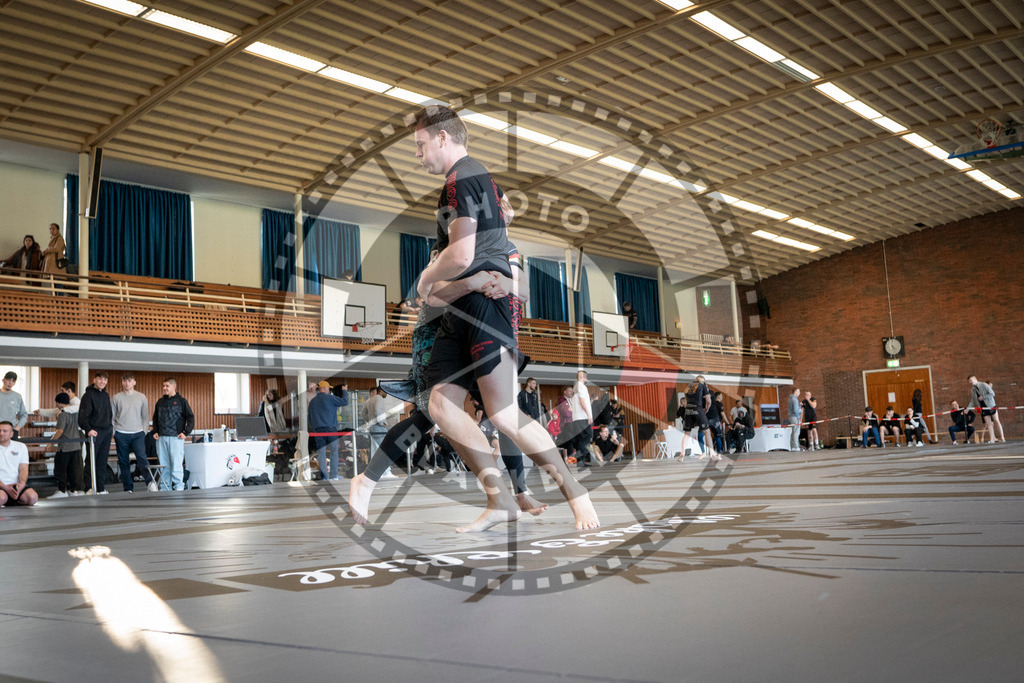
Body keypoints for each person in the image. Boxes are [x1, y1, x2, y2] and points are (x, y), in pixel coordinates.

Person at [411, 104, 598, 532]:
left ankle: (575, 491)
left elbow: (462, 255)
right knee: (440, 404)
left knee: (504, 413)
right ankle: (499, 499)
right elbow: (494, 225)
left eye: (420, 145)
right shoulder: (472, 182)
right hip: (460, 305)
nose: (417, 154)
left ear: (443, 138)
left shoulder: (463, 178)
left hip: (483, 303)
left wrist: (425, 277)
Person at [111, 372, 157, 493]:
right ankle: (128, 488)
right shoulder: (116, 398)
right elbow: (112, 417)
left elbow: (145, 417)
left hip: (138, 434)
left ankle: (150, 482)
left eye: (129, 380)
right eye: (125, 381)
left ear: (134, 382)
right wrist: (114, 432)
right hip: (121, 433)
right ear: (122, 382)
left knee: (142, 459)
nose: (127, 383)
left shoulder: (141, 397)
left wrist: (144, 432)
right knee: (123, 462)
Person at [152, 378, 195, 491]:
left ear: (174, 387)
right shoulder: (160, 402)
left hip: (176, 438)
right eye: (163, 386)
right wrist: (155, 431)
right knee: (164, 465)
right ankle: (165, 488)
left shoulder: (182, 401)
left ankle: (179, 487)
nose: (164, 388)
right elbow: (155, 418)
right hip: (161, 438)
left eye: (167, 386)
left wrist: (186, 432)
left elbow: (190, 418)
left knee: (176, 464)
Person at [78, 370, 113, 494]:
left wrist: (110, 428)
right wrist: (88, 430)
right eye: (100, 379)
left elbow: (109, 414)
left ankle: (100, 488)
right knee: (91, 461)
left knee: (102, 462)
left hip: (106, 432)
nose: (102, 381)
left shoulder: (106, 395)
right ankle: (89, 488)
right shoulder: (88, 395)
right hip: (95, 432)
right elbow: (82, 418)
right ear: (94, 380)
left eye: (105, 379)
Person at [309, 380, 349, 481]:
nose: (329, 390)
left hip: (318, 431)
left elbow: (309, 418)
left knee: (321, 454)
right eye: (328, 388)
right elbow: (345, 402)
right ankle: (333, 475)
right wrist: (344, 391)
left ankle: (324, 476)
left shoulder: (312, 401)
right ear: (325, 388)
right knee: (334, 452)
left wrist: (315, 427)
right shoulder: (330, 398)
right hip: (331, 430)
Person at [48, 392, 84, 498]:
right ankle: (73, 490)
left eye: (57, 402)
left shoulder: (63, 414)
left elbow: (60, 431)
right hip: (76, 446)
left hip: (65, 447)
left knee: (60, 470)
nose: (56, 405)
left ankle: (62, 490)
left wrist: (51, 442)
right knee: (73, 470)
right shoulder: (75, 412)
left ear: (60, 402)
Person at [678, 375, 718, 461]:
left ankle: (682, 452)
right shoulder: (702, 386)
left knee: (687, 433)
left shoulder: (689, 386)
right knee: (707, 432)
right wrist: (707, 408)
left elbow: (685, 396)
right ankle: (711, 454)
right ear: (702, 380)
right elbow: (708, 400)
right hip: (698, 409)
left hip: (688, 410)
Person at [0, 421, 38, 506]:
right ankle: (5, 499)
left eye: (5, 431)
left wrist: (22, 484)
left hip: (16, 485)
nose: (1, 433)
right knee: (1, 498)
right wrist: (5, 487)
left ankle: (13, 500)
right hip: (1, 485)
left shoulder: (21, 446)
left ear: (11, 434)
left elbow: (23, 468)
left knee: (32, 498)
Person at [967, 376, 1005, 443]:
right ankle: (992, 439)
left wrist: (983, 397)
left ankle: (1002, 437)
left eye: (971, 380)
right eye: (969, 381)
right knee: (988, 423)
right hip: (983, 407)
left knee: (996, 420)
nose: (970, 382)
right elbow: (972, 400)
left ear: (975, 378)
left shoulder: (984, 385)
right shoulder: (973, 389)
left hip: (991, 405)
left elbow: (992, 393)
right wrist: (968, 409)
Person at [569, 370, 594, 469]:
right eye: (585, 376)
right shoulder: (582, 387)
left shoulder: (575, 388)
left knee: (581, 438)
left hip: (577, 418)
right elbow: (582, 401)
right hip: (583, 417)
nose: (586, 378)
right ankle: (581, 456)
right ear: (583, 377)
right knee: (588, 436)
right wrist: (589, 415)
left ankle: (580, 461)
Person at [0, 371, 28, 439]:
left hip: (12, 431)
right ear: (3, 380)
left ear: (14, 383)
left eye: (13, 381)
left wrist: (17, 428)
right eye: (8, 380)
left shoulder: (17, 397)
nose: (10, 382)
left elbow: (23, 415)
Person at [787, 387, 802, 451]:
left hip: (791, 417)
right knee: (796, 432)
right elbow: (796, 411)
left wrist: (799, 405)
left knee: (793, 432)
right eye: (798, 391)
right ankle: (796, 446)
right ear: (795, 392)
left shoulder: (789, 398)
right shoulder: (795, 400)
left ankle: (792, 446)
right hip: (795, 417)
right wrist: (801, 410)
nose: (799, 393)